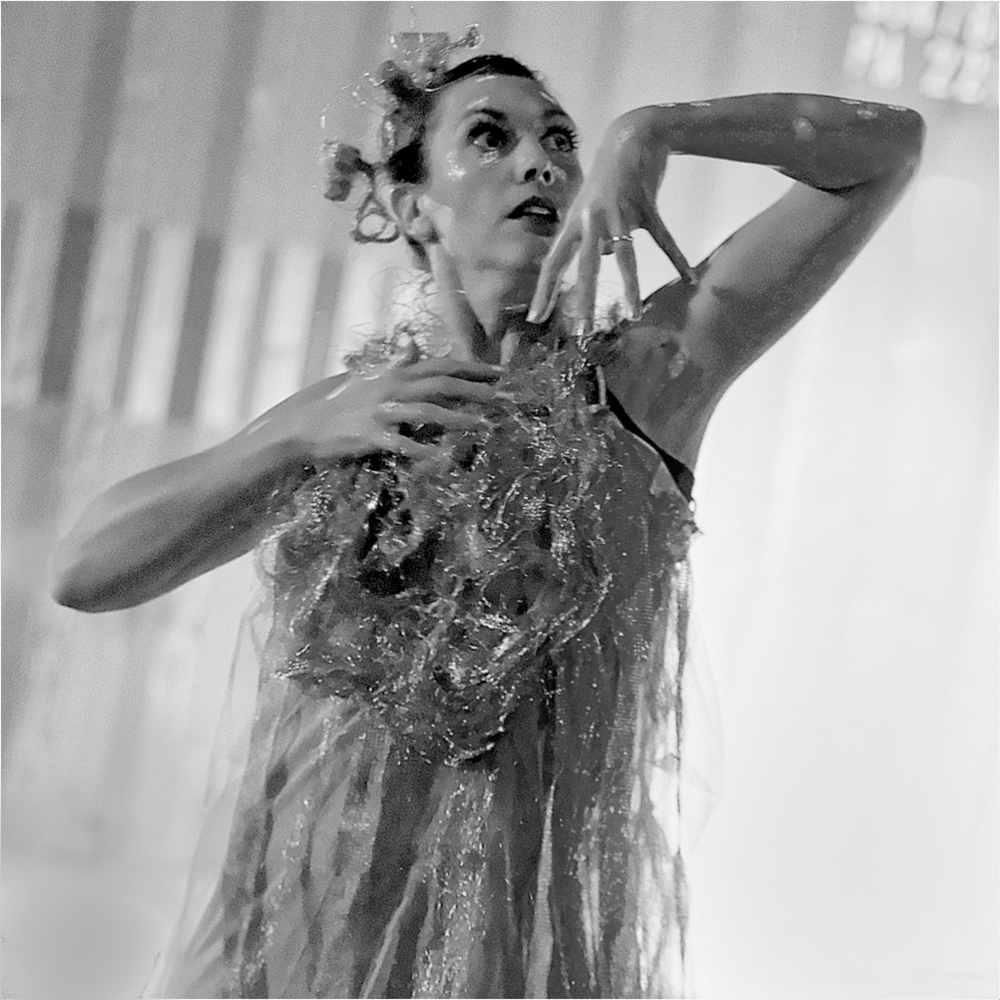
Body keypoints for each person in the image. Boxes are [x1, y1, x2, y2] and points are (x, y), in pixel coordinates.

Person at [53, 29, 924, 1000]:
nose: (540, 160)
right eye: (489, 137)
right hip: (293, 950)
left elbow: (884, 151)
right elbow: (85, 570)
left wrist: (660, 128)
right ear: (410, 208)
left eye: (559, 139)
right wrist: (291, 440)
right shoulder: (350, 415)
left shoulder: (647, 381)